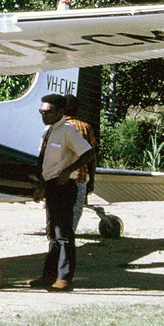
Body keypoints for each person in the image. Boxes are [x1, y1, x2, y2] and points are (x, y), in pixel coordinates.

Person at [30, 94, 95, 292]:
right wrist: (41, 185)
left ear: (60, 112)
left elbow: (88, 152)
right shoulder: (48, 132)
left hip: (64, 187)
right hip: (50, 186)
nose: (44, 115)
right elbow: (44, 161)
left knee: (64, 234)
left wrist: (68, 171)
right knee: (53, 234)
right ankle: (49, 275)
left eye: (48, 112)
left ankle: (65, 278)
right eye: (41, 112)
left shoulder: (68, 131)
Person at [63, 94, 97, 234]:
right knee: (71, 224)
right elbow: (91, 156)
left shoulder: (53, 128)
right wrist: (91, 180)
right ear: (77, 109)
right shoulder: (85, 128)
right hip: (78, 182)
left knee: (56, 222)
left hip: (56, 181)